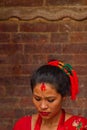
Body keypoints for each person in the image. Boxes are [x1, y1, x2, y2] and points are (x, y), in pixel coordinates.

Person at [13, 59, 87, 130]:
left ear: (63, 96)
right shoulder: (23, 125)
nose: (43, 106)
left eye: (50, 100)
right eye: (37, 99)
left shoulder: (79, 126)